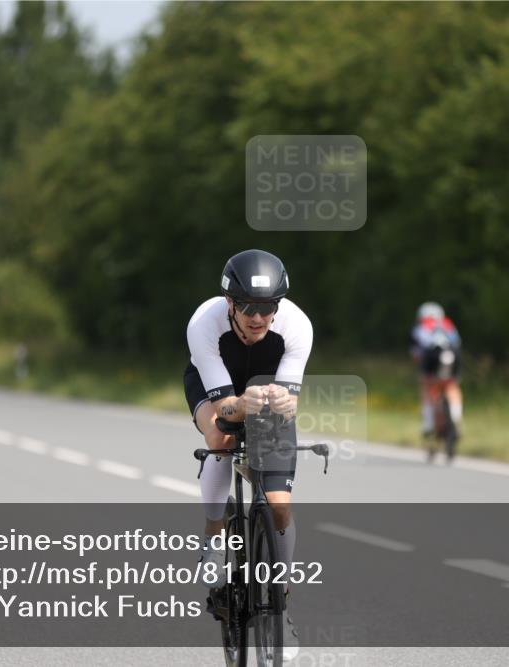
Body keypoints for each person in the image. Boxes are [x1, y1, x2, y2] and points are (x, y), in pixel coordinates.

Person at [184, 249, 312, 660]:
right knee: (220, 441)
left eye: (267, 308)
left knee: (278, 506)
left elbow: (289, 399)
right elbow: (224, 410)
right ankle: (214, 535)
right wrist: (242, 404)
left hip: (266, 394)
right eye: (248, 308)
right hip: (215, 387)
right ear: (230, 304)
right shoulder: (204, 324)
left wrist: (285, 402)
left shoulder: (297, 326)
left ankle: (282, 608)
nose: (258, 318)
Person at [410, 302, 463, 457]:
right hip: (453, 354)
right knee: (452, 386)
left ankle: (428, 424)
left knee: (427, 385)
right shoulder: (448, 324)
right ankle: (456, 417)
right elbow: (457, 344)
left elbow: (416, 353)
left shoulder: (421, 326)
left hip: (431, 355)